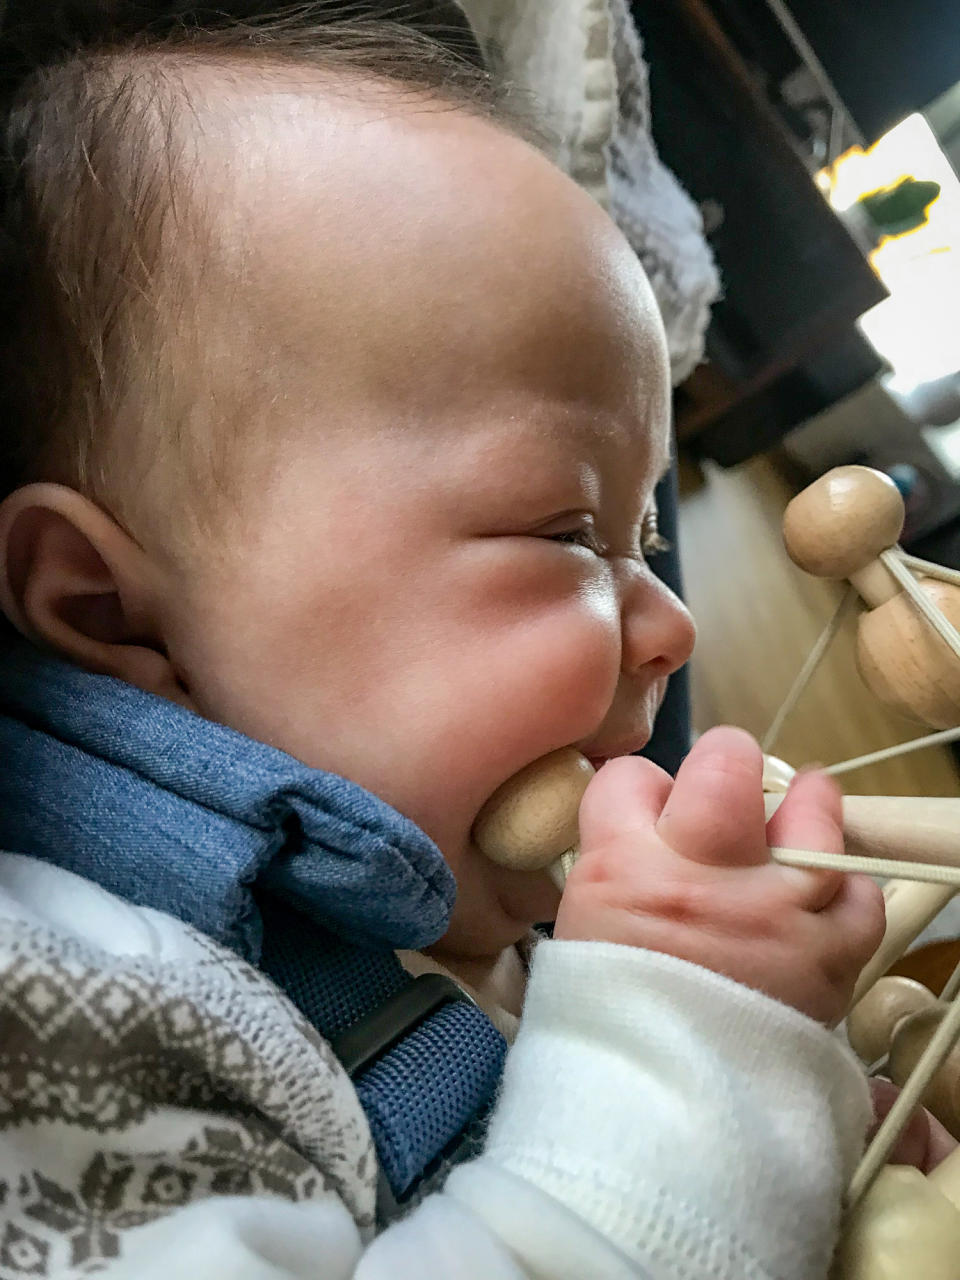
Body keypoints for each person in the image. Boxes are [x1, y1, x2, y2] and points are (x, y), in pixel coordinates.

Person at [0, 11, 890, 1277]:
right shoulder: (65, 999)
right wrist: (696, 1050)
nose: (678, 622)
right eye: (569, 527)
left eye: (649, 527)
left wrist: (809, 1143)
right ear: (109, 611)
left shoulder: (468, 900)